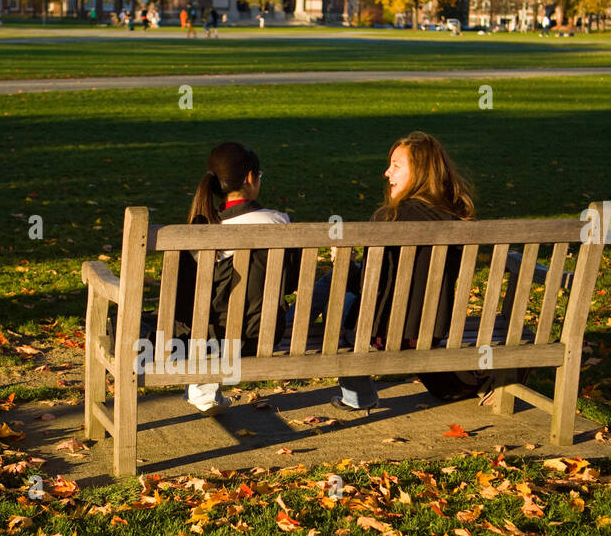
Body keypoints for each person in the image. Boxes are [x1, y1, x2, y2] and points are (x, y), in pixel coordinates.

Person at [308, 132, 480, 410]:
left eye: (396, 165)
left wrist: (346, 265)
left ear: (422, 172)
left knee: (335, 290)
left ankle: (355, 394)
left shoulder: (388, 219)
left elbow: (368, 288)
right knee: (336, 286)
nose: (387, 172)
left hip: (382, 333)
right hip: (432, 330)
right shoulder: (457, 218)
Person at [171, 143, 299, 414]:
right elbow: (291, 282)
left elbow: (182, 297)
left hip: (202, 338)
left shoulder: (198, 229)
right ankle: (204, 387)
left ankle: (203, 385)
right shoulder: (277, 222)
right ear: (251, 178)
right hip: (260, 335)